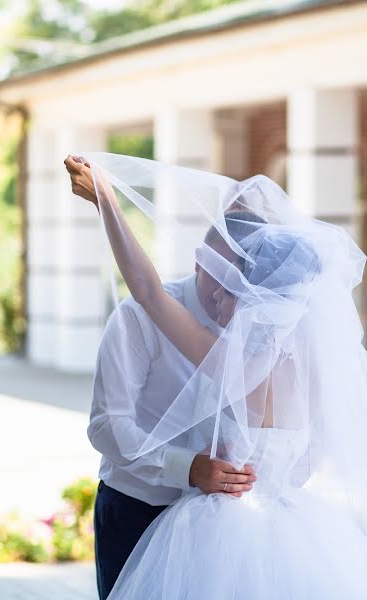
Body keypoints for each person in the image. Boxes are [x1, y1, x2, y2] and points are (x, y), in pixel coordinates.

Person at [65, 153, 367, 599]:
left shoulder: (232, 360)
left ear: (251, 288)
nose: (218, 294)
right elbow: (303, 457)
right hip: (261, 521)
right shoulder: (313, 359)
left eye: (230, 283)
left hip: (218, 528)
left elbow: (146, 290)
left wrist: (108, 200)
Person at [87, 203, 264, 597]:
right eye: (219, 275)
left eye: (239, 281)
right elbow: (105, 425)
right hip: (138, 509)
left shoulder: (264, 335)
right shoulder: (138, 316)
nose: (223, 291)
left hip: (221, 528)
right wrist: (187, 469)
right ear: (199, 261)